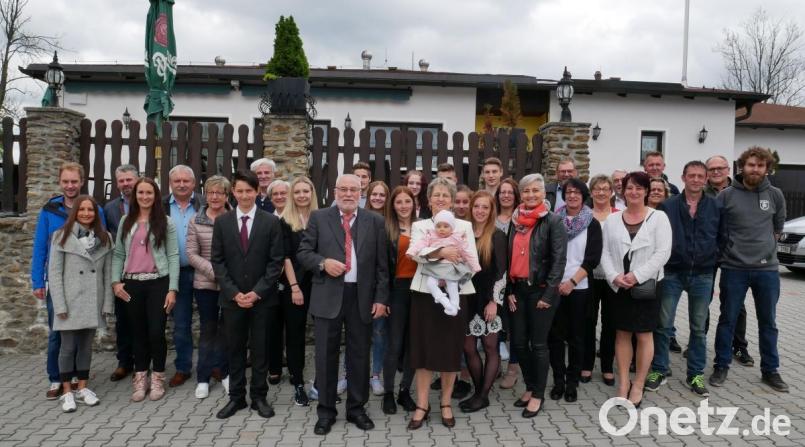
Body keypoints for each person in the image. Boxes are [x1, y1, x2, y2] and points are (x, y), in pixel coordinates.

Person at [297, 174, 389, 435]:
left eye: (354, 190)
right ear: (335, 191)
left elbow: (383, 266)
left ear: (361, 193)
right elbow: (303, 252)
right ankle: (326, 412)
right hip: (328, 296)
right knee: (325, 355)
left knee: (359, 355)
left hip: (362, 297)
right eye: (343, 189)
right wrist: (323, 263)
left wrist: (381, 298)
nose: (348, 194)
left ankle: (356, 409)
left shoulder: (374, 221)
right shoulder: (319, 217)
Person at [710, 147, 788, 393]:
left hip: (767, 271)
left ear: (767, 169)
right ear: (742, 166)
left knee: (768, 322)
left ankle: (770, 370)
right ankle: (721, 365)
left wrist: (764, 251)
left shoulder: (775, 195)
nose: (755, 169)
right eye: (751, 164)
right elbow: (717, 229)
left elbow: (777, 229)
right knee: (727, 320)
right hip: (734, 269)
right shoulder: (725, 196)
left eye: (760, 165)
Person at [211, 170, 285, 419]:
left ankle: (259, 397)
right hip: (232, 300)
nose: (244, 195)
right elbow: (217, 261)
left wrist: (256, 292)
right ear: (233, 191)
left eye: (249, 191)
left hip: (262, 300)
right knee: (235, 349)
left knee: (260, 350)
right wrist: (234, 293)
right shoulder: (222, 222)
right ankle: (236, 397)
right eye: (240, 191)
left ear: (257, 192)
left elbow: (275, 262)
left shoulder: (271, 222)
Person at [406, 177, 477, 430]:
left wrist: (449, 273)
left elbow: (470, 259)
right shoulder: (421, 225)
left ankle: (446, 403)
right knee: (423, 350)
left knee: (450, 349)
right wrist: (441, 252)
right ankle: (422, 404)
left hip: (456, 292)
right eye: (436, 195)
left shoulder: (464, 226)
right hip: (426, 293)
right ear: (428, 200)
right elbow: (416, 254)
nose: (441, 199)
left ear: (452, 200)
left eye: (445, 195)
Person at [645, 161, 720, 397]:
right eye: (691, 175)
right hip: (673, 272)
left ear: (705, 179)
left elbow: (723, 236)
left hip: (703, 273)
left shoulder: (716, 206)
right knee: (663, 325)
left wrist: (713, 257)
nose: (696, 179)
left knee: (698, 328)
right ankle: (659, 369)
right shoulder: (668, 206)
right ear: (683, 177)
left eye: (700, 176)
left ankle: (695, 374)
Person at [32, 162, 105, 400]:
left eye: (74, 181)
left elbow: (100, 245)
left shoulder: (94, 209)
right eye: (66, 181)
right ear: (60, 182)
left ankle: (76, 377)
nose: (70, 185)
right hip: (61, 284)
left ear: (82, 181)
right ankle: (56, 377)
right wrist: (37, 281)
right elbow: (40, 247)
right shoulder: (49, 210)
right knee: (58, 333)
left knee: (82, 333)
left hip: (85, 286)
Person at [600, 171, 672, 408]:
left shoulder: (659, 218)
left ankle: (639, 383)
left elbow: (663, 253)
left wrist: (637, 275)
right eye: (629, 187)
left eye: (639, 188)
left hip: (647, 286)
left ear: (646, 191)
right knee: (622, 333)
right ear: (623, 191)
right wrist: (614, 276)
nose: (634, 192)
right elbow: (604, 252)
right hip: (619, 286)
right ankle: (623, 382)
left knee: (643, 335)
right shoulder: (612, 219)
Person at [111, 177, 179, 402]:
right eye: (140, 192)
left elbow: (173, 255)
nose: (144, 196)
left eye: (149, 192)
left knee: (156, 332)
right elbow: (118, 253)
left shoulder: (165, 222)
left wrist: (172, 289)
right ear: (135, 195)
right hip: (131, 285)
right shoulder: (126, 221)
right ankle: (140, 377)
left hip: (158, 283)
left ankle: (158, 376)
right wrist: (115, 282)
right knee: (137, 333)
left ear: (156, 195)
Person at [506, 173, 567, 418]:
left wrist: (549, 294)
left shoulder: (553, 221)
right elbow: (509, 258)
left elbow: (559, 261)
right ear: (521, 194)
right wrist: (509, 290)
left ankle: (538, 394)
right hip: (518, 290)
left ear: (544, 193)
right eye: (526, 191)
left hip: (541, 291)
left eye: (535, 190)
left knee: (539, 344)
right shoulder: (515, 220)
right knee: (519, 343)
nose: (531, 195)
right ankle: (530, 386)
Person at [49, 195, 114, 412]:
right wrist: (60, 305)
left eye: (91, 210)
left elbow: (107, 274)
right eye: (82, 209)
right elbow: (54, 274)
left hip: (92, 301)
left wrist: (107, 304)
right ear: (75, 212)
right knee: (67, 348)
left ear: (96, 213)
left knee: (86, 347)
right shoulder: (61, 236)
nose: (86, 213)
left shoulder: (105, 238)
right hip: (70, 302)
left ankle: (83, 388)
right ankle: (67, 391)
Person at [548, 179, 602, 403]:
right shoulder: (553, 220)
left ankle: (572, 382)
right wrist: (555, 282)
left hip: (579, 287)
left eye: (576, 192)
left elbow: (592, 259)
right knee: (555, 337)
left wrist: (571, 282)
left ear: (583, 196)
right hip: (554, 286)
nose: (572, 196)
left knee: (577, 337)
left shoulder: (592, 223)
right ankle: (558, 381)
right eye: (569, 192)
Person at [271, 176, 319, 406]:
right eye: (297, 192)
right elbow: (285, 257)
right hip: (295, 285)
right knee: (295, 335)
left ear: (312, 193)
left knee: (323, 335)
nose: (301, 195)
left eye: (305, 191)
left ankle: (322, 384)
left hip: (320, 284)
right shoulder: (285, 221)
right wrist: (294, 287)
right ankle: (298, 383)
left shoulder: (322, 218)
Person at [460, 191, 507, 413]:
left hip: (488, 299)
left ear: (491, 211)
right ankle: (479, 392)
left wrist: (494, 302)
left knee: (490, 347)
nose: (480, 211)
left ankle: (483, 395)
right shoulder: (463, 234)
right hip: (466, 298)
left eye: (485, 207)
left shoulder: (497, 235)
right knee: (468, 347)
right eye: (477, 206)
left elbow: (501, 272)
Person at [186, 175, 231, 399]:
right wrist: (216, 273)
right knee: (208, 330)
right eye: (210, 192)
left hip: (231, 285)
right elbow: (191, 254)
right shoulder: (196, 220)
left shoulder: (234, 218)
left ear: (226, 196)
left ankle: (225, 373)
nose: (214, 197)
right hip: (205, 285)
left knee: (227, 330)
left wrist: (227, 277)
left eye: (219, 193)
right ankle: (203, 378)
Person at [705, 155, 752, 367]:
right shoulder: (701, 192)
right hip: (708, 253)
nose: (716, 172)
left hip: (734, 254)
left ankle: (739, 346)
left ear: (728, 170)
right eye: (712, 169)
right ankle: (698, 341)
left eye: (720, 168)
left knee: (735, 302)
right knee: (703, 299)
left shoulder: (742, 190)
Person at [163, 165, 205, 388]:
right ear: (170, 183)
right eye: (177, 181)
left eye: (186, 181)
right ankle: (183, 368)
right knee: (180, 324)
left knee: (210, 321)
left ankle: (212, 365)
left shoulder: (205, 203)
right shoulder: (160, 206)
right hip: (176, 274)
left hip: (204, 271)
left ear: (194, 183)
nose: (181, 184)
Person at [381, 186, 419, 415]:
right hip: (397, 290)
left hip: (420, 290)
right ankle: (388, 393)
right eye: (399, 202)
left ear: (414, 204)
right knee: (394, 344)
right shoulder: (386, 229)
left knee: (413, 344)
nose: (404, 206)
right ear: (392, 205)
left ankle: (405, 391)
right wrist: (383, 298)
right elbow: (382, 267)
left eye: (407, 201)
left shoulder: (423, 226)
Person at [581, 174, 619, 386]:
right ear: (591, 192)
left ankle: (607, 367)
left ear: (611, 192)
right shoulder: (584, 215)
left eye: (605, 189)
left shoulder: (618, 215)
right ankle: (586, 365)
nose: (601, 192)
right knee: (588, 321)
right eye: (597, 188)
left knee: (610, 323)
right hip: (589, 276)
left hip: (613, 277)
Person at [407, 210, 481, 316]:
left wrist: (475, 266)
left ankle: (454, 306)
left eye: (446, 226)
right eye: (438, 226)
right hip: (434, 267)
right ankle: (445, 302)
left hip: (450, 267)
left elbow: (467, 253)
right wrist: (411, 252)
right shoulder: (431, 235)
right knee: (430, 284)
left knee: (452, 285)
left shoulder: (457, 238)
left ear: (452, 228)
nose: (442, 229)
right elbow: (419, 245)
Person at [104, 164, 137, 382]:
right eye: (122, 181)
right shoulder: (109, 209)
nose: (126, 184)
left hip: (146, 271)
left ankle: (144, 362)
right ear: (117, 184)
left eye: (129, 179)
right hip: (121, 273)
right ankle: (124, 363)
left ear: (137, 180)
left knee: (145, 320)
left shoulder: (150, 202)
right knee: (123, 320)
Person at [647, 176, 681, 353]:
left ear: (666, 194)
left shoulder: (672, 213)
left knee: (664, 314)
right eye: (652, 189)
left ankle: (661, 350)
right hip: (644, 271)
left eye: (660, 190)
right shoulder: (639, 212)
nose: (656, 192)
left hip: (668, 269)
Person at [363, 180, 390, 395]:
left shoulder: (390, 223)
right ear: (368, 196)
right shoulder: (359, 218)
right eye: (374, 194)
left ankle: (375, 375)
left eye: (382, 195)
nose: (378, 198)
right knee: (356, 334)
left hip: (381, 287)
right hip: (360, 287)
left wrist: (385, 297)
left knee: (379, 333)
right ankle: (349, 374)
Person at [495, 177, 521, 389]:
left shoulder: (522, 218)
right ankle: (494, 364)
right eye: (502, 192)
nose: (505, 195)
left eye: (509, 192)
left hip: (515, 280)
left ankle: (513, 368)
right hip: (494, 279)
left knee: (515, 326)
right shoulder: (491, 217)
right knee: (495, 324)